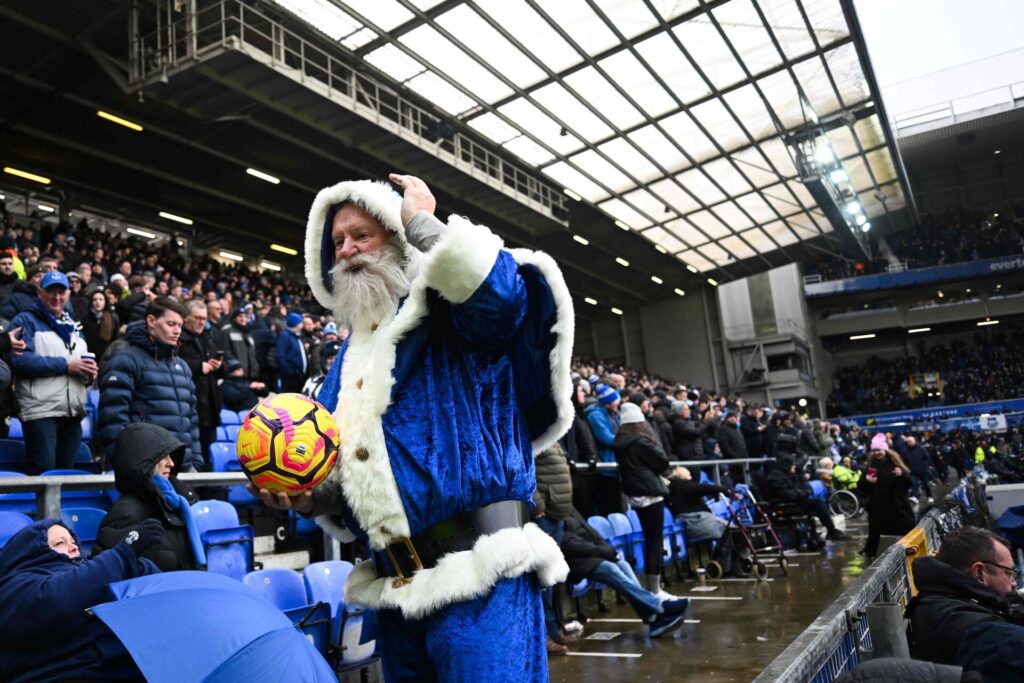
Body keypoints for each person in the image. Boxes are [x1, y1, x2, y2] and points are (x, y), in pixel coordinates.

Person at [251, 174, 573, 681]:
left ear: (396, 237)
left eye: (362, 235)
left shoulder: (448, 309)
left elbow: (502, 299)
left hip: (482, 576)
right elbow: (355, 475)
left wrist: (423, 223)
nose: (348, 250)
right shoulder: (344, 366)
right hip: (396, 594)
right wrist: (309, 498)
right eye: (337, 242)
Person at [0, 518, 162, 682]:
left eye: (73, 541)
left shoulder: (94, 573)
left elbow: (158, 584)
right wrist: (123, 555)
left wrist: (137, 566)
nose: (74, 546)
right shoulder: (14, 587)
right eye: (60, 543)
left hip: (113, 665)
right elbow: (57, 598)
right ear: (30, 554)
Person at [98, 296, 203, 471]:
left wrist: (196, 462)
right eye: (171, 324)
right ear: (151, 321)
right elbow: (112, 419)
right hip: (145, 468)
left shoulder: (183, 366)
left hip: (183, 468)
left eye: (179, 325)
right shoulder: (125, 359)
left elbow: (191, 420)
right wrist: (131, 464)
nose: (177, 331)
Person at [906, 527, 1024, 680]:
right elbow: (1010, 644)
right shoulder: (992, 636)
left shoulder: (938, 598)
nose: (1014, 584)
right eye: (1009, 574)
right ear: (979, 572)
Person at [10, 271, 96, 474]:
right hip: (41, 411)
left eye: (61, 292)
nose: (56, 297)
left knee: (67, 475)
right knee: (44, 472)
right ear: (39, 292)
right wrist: (67, 365)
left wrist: (88, 373)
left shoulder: (73, 325)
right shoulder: (25, 320)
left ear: (68, 294)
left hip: (72, 411)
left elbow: (78, 361)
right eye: (51, 291)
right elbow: (20, 361)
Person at [560, 510, 689, 638]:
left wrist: (609, 550)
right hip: (573, 560)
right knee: (610, 568)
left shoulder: (569, 507)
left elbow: (592, 533)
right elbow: (569, 543)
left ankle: (653, 618)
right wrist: (603, 551)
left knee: (623, 564)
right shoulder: (551, 515)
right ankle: (659, 606)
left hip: (591, 554)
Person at [92, 423, 201, 571]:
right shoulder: (126, 513)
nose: (171, 463)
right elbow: (108, 572)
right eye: (163, 456)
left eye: (170, 456)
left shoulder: (175, 503)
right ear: (142, 461)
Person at [614, 402, 672, 597]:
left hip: (635, 494)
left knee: (650, 539)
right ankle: (655, 589)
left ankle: (654, 588)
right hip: (650, 494)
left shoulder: (619, 442)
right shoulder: (641, 442)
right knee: (655, 541)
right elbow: (663, 462)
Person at [531, 441, 575, 656]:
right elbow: (525, 470)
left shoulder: (552, 437)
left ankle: (553, 629)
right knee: (543, 580)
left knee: (552, 578)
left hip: (557, 513)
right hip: (545, 515)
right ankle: (545, 636)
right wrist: (538, 505)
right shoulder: (535, 436)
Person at [762, 454, 849, 542]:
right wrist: (801, 494)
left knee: (814, 502)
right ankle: (831, 530)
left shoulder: (786, 475)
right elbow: (785, 494)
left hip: (792, 502)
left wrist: (803, 492)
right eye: (793, 465)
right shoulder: (776, 477)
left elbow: (796, 489)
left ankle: (820, 532)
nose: (794, 467)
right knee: (816, 502)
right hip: (785, 505)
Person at [178, 300, 224, 462]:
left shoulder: (207, 338)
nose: (201, 322)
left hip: (209, 408)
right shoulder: (178, 339)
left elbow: (214, 367)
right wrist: (199, 366)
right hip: (191, 407)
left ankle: (209, 488)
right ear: (186, 318)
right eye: (197, 318)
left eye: (204, 319)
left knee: (208, 453)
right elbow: (175, 364)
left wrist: (217, 365)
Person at [859, 434, 915, 558]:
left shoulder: (895, 463)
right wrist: (867, 480)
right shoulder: (870, 466)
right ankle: (871, 553)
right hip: (878, 507)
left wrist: (902, 475)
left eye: (879, 450)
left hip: (897, 505)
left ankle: (911, 551)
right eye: (875, 450)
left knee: (907, 529)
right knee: (875, 533)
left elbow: (909, 483)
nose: (877, 452)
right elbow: (861, 487)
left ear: (885, 449)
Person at [586, 383, 623, 515]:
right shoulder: (595, 415)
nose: (618, 401)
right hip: (607, 466)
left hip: (617, 465)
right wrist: (627, 441)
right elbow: (607, 438)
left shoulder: (613, 414)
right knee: (610, 506)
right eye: (615, 399)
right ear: (608, 402)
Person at [221, 305, 259, 381]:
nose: (243, 319)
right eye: (240, 316)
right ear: (234, 318)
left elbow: (252, 354)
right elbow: (226, 351)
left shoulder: (248, 333)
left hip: (251, 373)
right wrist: (235, 366)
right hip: (235, 373)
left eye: (245, 317)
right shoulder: (227, 330)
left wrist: (255, 368)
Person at [80, 288, 120, 361]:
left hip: (107, 357)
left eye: (101, 299)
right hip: (90, 357)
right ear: (91, 302)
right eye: (95, 300)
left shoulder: (113, 318)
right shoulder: (85, 320)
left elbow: (115, 338)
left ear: (105, 301)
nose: (98, 302)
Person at [275, 312, 307, 393]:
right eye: (301, 322)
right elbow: (280, 356)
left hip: (299, 377)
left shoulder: (295, 336)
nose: (302, 325)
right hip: (291, 378)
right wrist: (289, 372)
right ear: (296, 324)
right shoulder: (285, 335)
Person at [903, 435, 934, 502]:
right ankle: (916, 497)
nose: (909, 443)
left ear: (914, 441)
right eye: (908, 442)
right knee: (915, 485)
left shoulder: (920, 448)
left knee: (926, 485)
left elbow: (927, 457)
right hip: (913, 471)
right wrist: (907, 468)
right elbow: (904, 461)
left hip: (923, 470)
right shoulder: (905, 451)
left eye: (910, 441)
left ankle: (929, 497)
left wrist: (926, 465)